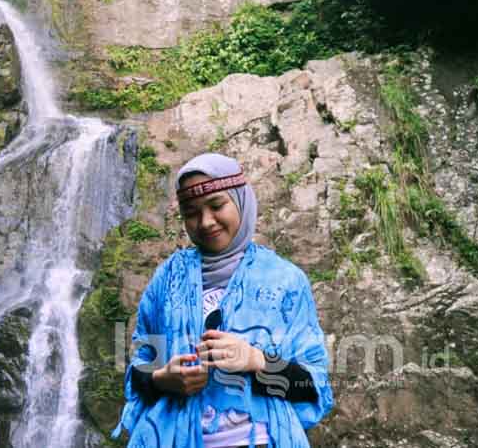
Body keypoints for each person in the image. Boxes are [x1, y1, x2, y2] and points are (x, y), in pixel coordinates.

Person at [112, 153, 333, 448]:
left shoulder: (285, 281)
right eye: (191, 212)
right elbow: (139, 369)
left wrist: (256, 360)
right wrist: (162, 378)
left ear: (240, 200)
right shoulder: (166, 280)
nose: (205, 222)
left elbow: (311, 384)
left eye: (217, 206)